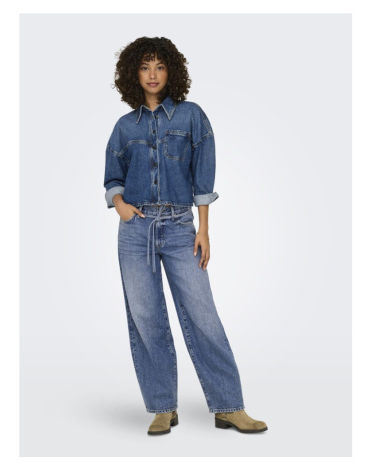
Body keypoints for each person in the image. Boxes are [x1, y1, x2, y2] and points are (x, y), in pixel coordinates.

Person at [103, 36, 268, 435]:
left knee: (202, 314)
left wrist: (204, 229)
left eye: (160, 66)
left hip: (180, 226)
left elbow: (202, 175)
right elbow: (112, 177)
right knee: (146, 318)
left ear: (171, 71)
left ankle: (229, 406)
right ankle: (163, 407)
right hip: (135, 229)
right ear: (133, 74)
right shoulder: (125, 126)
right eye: (145, 67)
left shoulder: (191, 116)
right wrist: (119, 203)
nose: (153, 74)